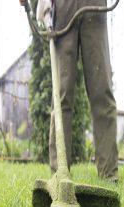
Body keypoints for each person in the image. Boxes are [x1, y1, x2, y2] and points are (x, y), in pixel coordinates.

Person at [20, 0, 118, 182]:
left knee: (101, 91)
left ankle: (109, 176)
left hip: (95, 5)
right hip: (62, 6)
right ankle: (60, 175)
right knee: (61, 95)